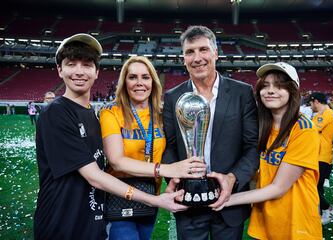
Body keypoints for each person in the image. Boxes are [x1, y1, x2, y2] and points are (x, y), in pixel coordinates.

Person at [34, 33, 187, 240]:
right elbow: (95, 176)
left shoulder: (90, 113)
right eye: (71, 64)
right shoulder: (57, 112)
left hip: (91, 217)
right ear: (59, 70)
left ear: (97, 72)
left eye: (87, 65)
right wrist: (154, 199)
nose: (79, 72)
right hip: (62, 222)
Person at [162, 25, 259, 239]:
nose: (197, 58)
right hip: (188, 200)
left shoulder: (242, 93)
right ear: (183, 58)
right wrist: (173, 177)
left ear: (216, 52)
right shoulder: (172, 97)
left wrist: (233, 178)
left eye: (203, 49)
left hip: (229, 201)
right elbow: (169, 146)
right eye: (190, 52)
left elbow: (252, 147)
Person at [209, 62, 322, 239]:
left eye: (279, 86)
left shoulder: (303, 129)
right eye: (265, 85)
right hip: (265, 222)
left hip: (296, 224)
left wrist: (226, 199)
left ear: (293, 90)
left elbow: (278, 187)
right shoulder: (262, 127)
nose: (270, 90)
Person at [99, 56, 206, 240]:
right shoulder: (111, 113)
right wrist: (164, 169)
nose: (139, 83)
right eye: (133, 77)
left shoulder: (161, 114)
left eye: (145, 77)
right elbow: (117, 162)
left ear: (153, 82)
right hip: (120, 196)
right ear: (124, 82)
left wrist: (176, 179)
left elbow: (170, 152)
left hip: (151, 196)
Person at [309, 92, 333, 225]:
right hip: (324, 156)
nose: (310, 106)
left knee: (311, 187)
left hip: (321, 156)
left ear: (315, 101)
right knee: (318, 187)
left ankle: (329, 208)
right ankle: (318, 213)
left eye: (310, 103)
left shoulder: (325, 113)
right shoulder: (329, 113)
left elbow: (311, 129)